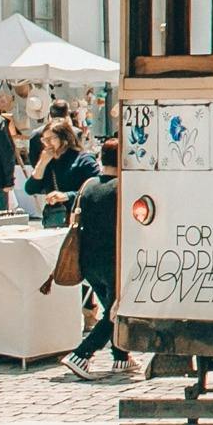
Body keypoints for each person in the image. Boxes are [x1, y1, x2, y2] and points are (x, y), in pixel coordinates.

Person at [62, 137, 132, 380]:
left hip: (88, 260)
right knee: (117, 312)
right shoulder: (122, 188)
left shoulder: (89, 185)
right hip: (113, 259)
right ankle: (81, 354)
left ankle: (121, 358)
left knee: (110, 308)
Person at [26, 119, 100, 229]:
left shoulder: (84, 160)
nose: (47, 144)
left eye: (51, 139)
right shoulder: (48, 161)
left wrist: (67, 196)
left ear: (65, 139)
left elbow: (96, 189)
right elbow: (30, 189)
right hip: (54, 219)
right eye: (44, 140)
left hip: (79, 219)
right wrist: (42, 163)